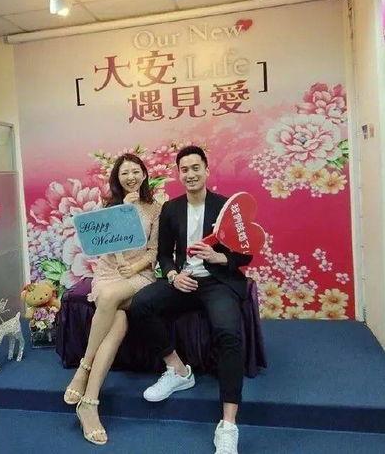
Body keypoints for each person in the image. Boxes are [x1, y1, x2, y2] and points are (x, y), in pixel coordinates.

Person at [130, 146, 252, 454]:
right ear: (179, 174)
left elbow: (245, 254)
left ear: (207, 170)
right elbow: (163, 254)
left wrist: (219, 257)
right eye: (184, 169)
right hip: (184, 280)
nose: (190, 174)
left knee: (228, 333)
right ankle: (179, 371)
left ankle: (228, 425)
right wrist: (173, 275)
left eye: (196, 168)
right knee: (141, 304)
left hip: (218, 282)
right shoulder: (171, 209)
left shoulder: (225, 207)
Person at [63, 153, 161, 445]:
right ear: (117, 179)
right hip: (108, 274)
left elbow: (154, 250)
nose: (131, 177)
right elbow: (100, 245)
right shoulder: (108, 208)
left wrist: (135, 266)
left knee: (108, 298)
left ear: (144, 174)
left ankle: (83, 368)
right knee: (117, 324)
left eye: (135, 171)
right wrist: (123, 212)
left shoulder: (156, 208)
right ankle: (89, 404)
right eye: (124, 173)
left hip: (139, 276)